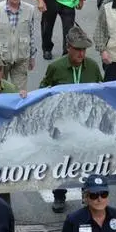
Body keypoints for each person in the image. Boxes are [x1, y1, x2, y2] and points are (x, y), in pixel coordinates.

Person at [40, 25, 103, 212]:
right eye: (78, 49)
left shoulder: (92, 66)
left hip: (86, 125)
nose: (81, 54)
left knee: (88, 160)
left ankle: (89, 195)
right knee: (61, 161)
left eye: (84, 50)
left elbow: (102, 91)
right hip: (62, 125)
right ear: (68, 47)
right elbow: (43, 91)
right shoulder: (55, 67)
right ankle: (59, 196)